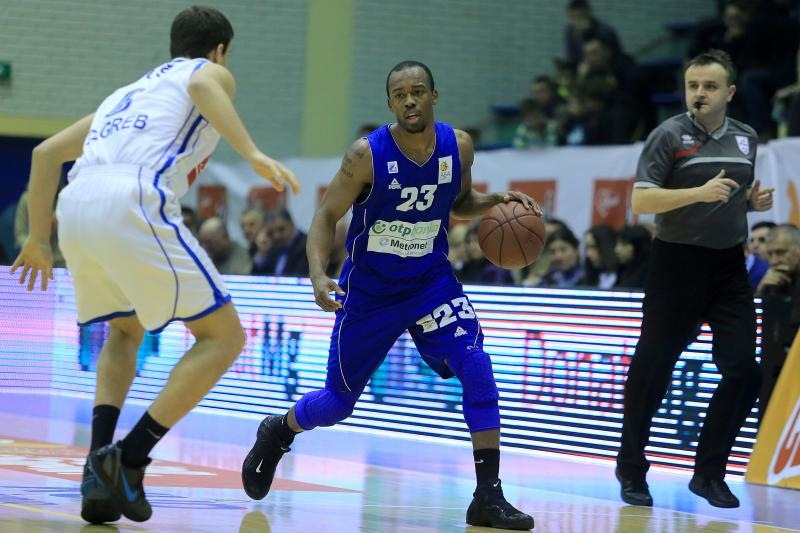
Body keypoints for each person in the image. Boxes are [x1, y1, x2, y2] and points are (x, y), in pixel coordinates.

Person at [10, 6, 299, 524]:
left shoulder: (125, 95)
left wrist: (37, 238)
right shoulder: (208, 71)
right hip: (133, 198)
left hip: (75, 207)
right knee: (224, 337)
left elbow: (45, 154)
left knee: (125, 333)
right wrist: (252, 153)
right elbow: (205, 87)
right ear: (220, 49)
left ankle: (96, 467)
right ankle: (131, 458)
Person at [240, 60, 537, 531]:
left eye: (418, 91)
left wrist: (497, 200)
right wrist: (318, 274)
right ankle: (279, 430)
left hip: (430, 283)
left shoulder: (458, 146)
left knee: (477, 366)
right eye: (400, 95)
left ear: (434, 96)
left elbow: (458, 202)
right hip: (372, 292)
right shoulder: (367, 155)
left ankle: (488, 496)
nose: (410, 100)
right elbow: (324, 217)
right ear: (390, 103)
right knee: (337, 404)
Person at [616, 49, 773, 509]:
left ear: (729, 92)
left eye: (708, 86)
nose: (699, 93)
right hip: (676, 264)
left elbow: (733, 192)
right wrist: (698, 193)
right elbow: (641, 202)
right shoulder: (668, 135)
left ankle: (708, 474)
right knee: (652, 370)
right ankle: (632, 469)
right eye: (692, 86)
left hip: (728, 266)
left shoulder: (746, 138)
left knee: (744, 368)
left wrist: (750, 201)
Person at [253, 207, 309, 277]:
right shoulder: (273, 247)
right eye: (271, 232)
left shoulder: (306, 245)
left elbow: (297, 278)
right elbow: (257, 278)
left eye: (281, 229)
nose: (276, 236)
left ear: (292, 224)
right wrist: (263, 253)